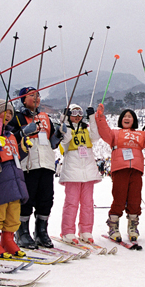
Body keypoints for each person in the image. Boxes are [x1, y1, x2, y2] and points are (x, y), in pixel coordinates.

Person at [95, 104, 145, 242]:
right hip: (120, 169)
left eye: (130, 116)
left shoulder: (140, 135)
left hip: (136, 170)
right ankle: (113, 226)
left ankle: (133, 226)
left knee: (135, 199)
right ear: (120, 119)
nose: (127, 118)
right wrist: (100, 117)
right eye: (124, 116)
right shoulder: (114, 133)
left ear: (134, 120)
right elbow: (103, 130)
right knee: (119, 197)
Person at [10, 87, 61, 249]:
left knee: (46, 198)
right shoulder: (17, 117)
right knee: (27, 198)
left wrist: (59, 134)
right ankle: (22, 232)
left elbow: (53, 143)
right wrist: (23, 132)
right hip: (28, 163)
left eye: (38, 95)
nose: (36, 98)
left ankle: (41, 231)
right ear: (23, 99)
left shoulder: (45, 117)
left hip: (46, 162)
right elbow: (10, 138)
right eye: (31, 95)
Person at [0, 99, 30, 258]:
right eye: (5, 111)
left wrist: (23, 148)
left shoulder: (10, 136)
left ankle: (8, 239)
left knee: (13, 212)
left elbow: (14, 157)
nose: (8, 115)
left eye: (10, 112)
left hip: (15, 179)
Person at [58, 104, 101, 244]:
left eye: (79, 113)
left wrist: (92, 118)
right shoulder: (68, 129)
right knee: (71, 203)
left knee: (88, 203)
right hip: (73, 170)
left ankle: (86, 230)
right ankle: (67, 231)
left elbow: (96, 136)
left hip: (88, 170)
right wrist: (64, 121)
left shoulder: (86, 129)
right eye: (73, 113)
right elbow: (65, 139)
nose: (77, 116)